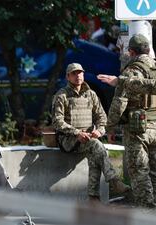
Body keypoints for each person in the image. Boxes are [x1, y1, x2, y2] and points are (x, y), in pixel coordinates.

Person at [52, 63, 130, 201]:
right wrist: (77, 133)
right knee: (96, 146)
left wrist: (100, 130)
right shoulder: (61, 96)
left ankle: (93, 198)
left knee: (95, 156)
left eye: (80, 73)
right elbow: (57, 122)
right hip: (69, 140)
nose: (78, 76)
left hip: (87, 138)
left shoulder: (91, 94)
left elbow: (101, 116)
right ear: (67, 77)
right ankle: (113, 181)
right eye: (74, 73)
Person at [97, 34, 156, 207]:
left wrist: (108, 127)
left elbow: (119, 103)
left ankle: (147, 211)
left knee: (139, 171)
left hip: (138, 129)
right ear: (147, 49)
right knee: (154, 170)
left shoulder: (132, 71)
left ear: (131, 52)